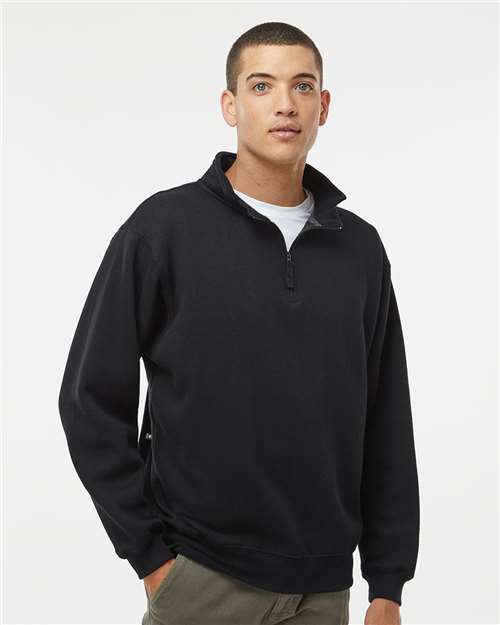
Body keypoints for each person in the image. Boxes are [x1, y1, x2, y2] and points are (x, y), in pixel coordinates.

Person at [58, 21, 419, 625]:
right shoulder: (163, 230)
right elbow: (88, 399)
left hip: (324, 588)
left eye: (303, 86)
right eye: (261, 86)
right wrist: (153, 560)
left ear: (324, 106)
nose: (285, 104)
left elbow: (386, 418)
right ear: (230, 105)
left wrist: (388, 583)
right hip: (201, 578)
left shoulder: (359, 249)